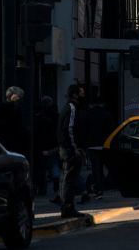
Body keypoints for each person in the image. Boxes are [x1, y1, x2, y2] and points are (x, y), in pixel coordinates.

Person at [57, 84, 86, 218]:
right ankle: (68, 207)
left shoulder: (69, 107)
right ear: (75, 94)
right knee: (69, 178)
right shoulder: (72, 108)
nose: (83, 94)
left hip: (68, 148)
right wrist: (75, 148)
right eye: (81, 92)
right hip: (70, 149)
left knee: (67, 178)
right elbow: (69, 129)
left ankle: (67, 206)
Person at [79, 95, 116, 199]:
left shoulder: (87, 115)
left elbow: (83, 131)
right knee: (109, 166)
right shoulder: (106, 114)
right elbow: (112, 129)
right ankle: (110, 184)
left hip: (92, 145)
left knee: (96, 168)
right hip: (105, 144)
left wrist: (85, 144)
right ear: (102, 104)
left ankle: (99, 188)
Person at [0, 86, 29, 157]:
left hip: (4, 140)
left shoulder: (3, 107)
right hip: (12, 141)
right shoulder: (15, 108)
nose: (20, 99)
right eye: (19, 96)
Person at [34, 97, 59, 199]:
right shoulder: (54, 116)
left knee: (41, 168)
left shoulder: (35, 121)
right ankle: (56, 184)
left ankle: (41, 187)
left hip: (39, 147)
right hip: (51, 145)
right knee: (53, 165)